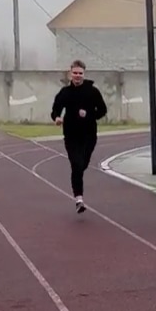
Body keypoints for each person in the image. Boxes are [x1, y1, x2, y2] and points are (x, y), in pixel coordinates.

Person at [51, 60, 108, 213]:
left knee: (82, 165)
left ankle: (79, 194)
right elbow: (56, 108)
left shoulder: (92, 91)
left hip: (89, 135)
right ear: (70, 74)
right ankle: (79, 200)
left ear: (84, 74)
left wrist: (89, 114)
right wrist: (57, 117)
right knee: (76, 165)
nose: (77, 76)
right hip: (71, 135)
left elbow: (102, 110)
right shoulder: (65, 92)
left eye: (80, 73)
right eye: (75, 73)